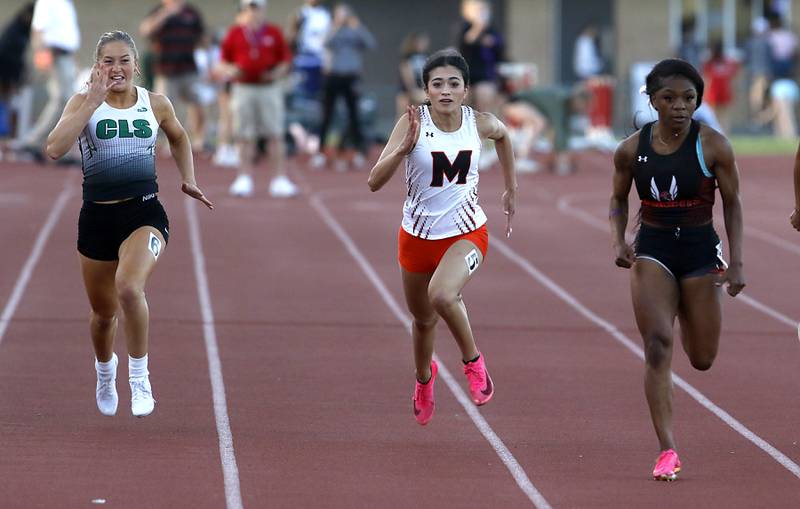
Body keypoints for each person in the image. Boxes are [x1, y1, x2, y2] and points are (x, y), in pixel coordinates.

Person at [44, 31, 213, 417]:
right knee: (104, 317)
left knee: (129, 288)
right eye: (108, 61)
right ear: (96, 66)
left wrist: (188, 178)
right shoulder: (83, 102)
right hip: (98, 218)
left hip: (144, 213)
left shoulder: (156, 103)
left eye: (123, 60)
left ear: (136, 66)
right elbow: (54, 149)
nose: (116, 68)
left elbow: (180, 137)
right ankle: (106, 371)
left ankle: (140, 378)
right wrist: (91, 102)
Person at [609, 59, 745, 481]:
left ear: (698, 101)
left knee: (702, 358)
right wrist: (619, 240)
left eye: (688, 98)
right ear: (652, 101)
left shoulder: (715, 145)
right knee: (657, 345)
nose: (680, 106)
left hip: (702, 250)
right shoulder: (632, 149)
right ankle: (667, 448)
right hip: (653, 248)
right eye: (669, 98)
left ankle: (691, 307)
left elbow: (733, 204)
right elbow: (617, 200)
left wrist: (737, 261)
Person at [367, 49, 516, 425]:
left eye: (453, 84)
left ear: (466, 89)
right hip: (416, 237)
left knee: (443, 294)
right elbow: (374, 181)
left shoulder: (478, 123)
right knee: (423, 321)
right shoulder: (412, 123)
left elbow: (504, 136)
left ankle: (473, 361)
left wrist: (510, 189)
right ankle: (423, 380)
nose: (446, 91)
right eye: (437, 84)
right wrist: (402, 149)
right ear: (426, 90)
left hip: (467, 233)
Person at [220, 0, 298, 198]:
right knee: (244, 134)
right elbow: (223, 62)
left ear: (263, 10)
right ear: (245, 11)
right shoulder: (235, 32)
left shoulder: (273, 32)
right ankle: (243, 177)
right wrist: (232, 70)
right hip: (243, 87)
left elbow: (286, 60)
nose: (253, 13)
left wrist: (276, 73)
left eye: (257, 8)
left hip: (268, 88)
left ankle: (279, 179)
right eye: (249, 9)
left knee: (275, 134)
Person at [310, 2, 376, 171]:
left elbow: (371, 44)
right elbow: (324, 43)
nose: (343, 18)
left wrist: (358, 26)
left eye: (345, 14)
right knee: (327, 114)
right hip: (333, 76)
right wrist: (335, 26)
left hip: (350, 77)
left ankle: (358, 150)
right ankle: (321, 151)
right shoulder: (331, 29)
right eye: (340, 14)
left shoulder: (355, 31)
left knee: (354, 115)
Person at [12, 0, 79, 161]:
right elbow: (38, 30)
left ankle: (48, 144)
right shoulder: (48, 2)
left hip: (66, 56)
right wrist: (42, 56)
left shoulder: (66, 3)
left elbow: (67, 33)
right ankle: (34, 142)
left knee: (67, 101)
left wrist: (73, 60)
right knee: (64, 100)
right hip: (54, 55)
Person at [139, 0, 206, 151]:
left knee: (197, 104)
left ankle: (198, 139)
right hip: (166, 70)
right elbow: (145, 30)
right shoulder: (158, 11)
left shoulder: (191, 12)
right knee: (164, 108)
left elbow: (201, 36)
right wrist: (166, 14)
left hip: (189, 69)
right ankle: (167, 142)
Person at [702, 40, 738, 134]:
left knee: (713, 116)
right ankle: (725, 134)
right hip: (724, 90)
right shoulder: (727, 62)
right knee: (724, 115)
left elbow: (706, 79)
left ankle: (716, 134)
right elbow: (733, 77)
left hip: (713, 91)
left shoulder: (709, 62)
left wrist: (704, 93)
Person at [396, 31, 430, 116]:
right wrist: (412, 89)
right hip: (406, 90)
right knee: (403, 114)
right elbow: (407, 75)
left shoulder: (425, 56)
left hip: (420, 88)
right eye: (421, 42)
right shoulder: (408, 57)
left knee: (417, 114)